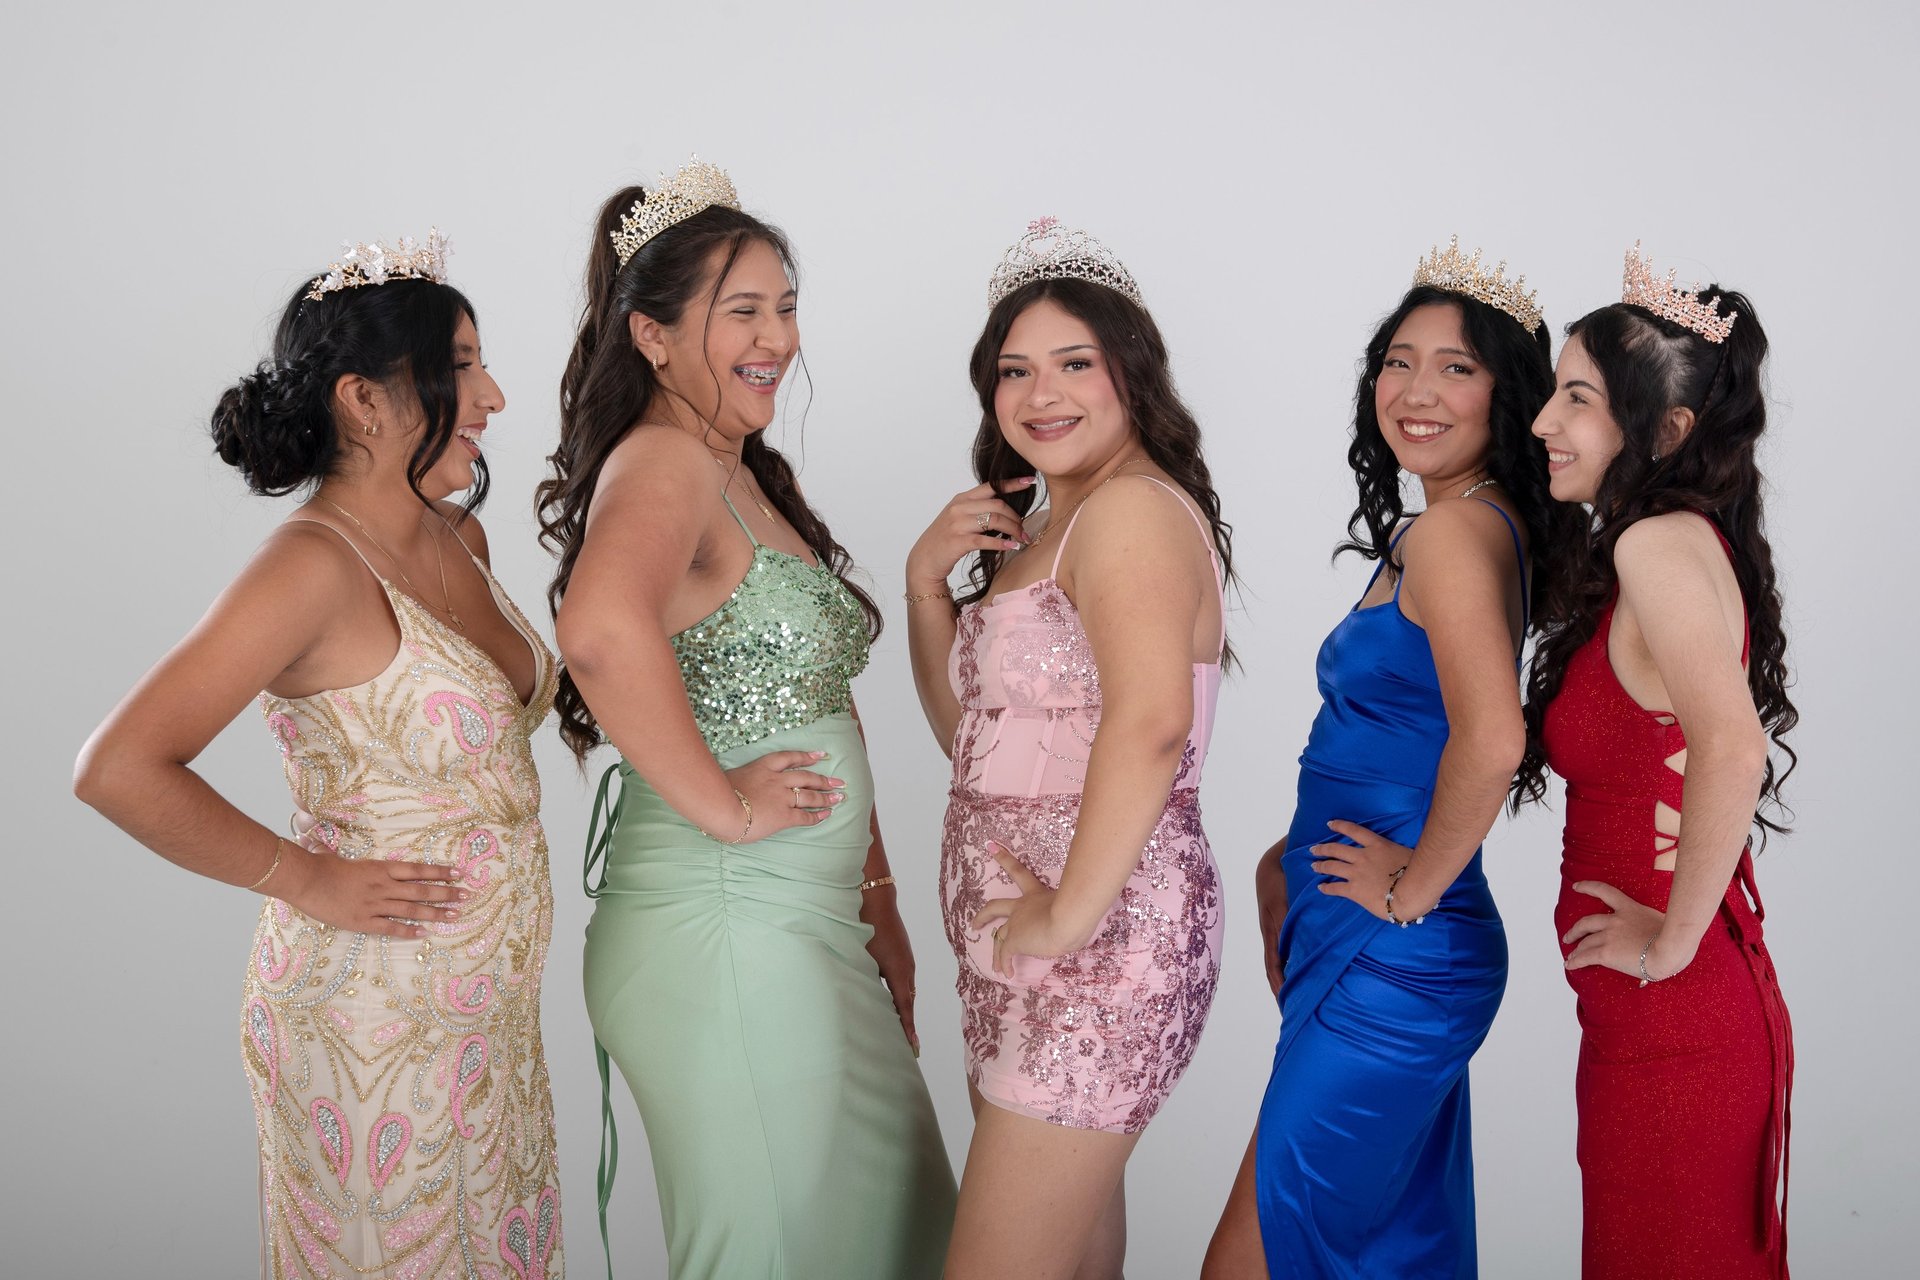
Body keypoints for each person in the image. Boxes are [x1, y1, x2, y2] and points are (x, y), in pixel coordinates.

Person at [74, 231, 566, 1278]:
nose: (495, 397)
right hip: (368, 1014)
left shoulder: (455, 537)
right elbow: (118, 764)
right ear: (365, 398)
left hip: (488, 1017)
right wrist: (305, 875)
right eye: (464, 366)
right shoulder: (307, 568)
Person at [536, 159, 954, 1278]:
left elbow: (817, 702)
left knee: (896, 1238)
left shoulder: (738, 466)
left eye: (785, 305)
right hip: (726, 926)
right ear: (653, 336)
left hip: (807, 929)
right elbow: (598, 630)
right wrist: (724, 808)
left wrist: (877, 900)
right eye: (742, 311)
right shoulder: (667, 459)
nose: (778, 335)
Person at [1206, 239, 1577, 1279]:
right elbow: (1402, 736)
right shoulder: (1464, 523)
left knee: (1255, 1260)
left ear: (1508, 396)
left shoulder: (1455, 536)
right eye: (1398, 360)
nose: (1416, 390)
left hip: (1396, 952)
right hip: (1368, 935)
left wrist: (1412, 888)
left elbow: (1491, 736)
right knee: (1378, 1255)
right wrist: (1291, 847)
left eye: (1456, 367)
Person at [905, 218, 1231, 1279]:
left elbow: (1151, 724)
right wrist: (923, 588)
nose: (1041, 393)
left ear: (1131, 373)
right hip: (1023, 943)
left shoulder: (1131, 509)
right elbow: (978, 746)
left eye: (1074, 363)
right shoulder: (1051, 523)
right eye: (1014, 370)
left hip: (1096, 938)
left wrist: (1061, 915)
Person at [1517, 244, 1795, 1278]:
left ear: (1665, 430)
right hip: (1656, 1027)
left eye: (1578, 397)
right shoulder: (1670, 539)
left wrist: (1669, 946)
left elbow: (1732, 746)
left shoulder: (1655, 546)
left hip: (1676, 1026)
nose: (1546, 420)